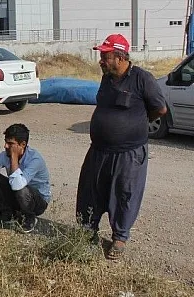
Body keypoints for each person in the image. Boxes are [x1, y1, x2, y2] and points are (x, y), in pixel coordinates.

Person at [76, 34, 167, 260]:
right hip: (99, 151)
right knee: (91, 191)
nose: (101, 60)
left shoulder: (141, 79)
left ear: (119, 56)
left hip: (128, 153)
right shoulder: (106, 78)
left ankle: (119, 238)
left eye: (104, 56)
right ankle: (88, 231)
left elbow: (160, 109)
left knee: (124, 194)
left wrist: (135, 124)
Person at [0, 124, 51, 233]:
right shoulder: (5, 155)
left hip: (38, 201)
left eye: (10, 144)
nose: (5, 146)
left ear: (22, 144)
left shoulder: (35, 160)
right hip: (18, 195)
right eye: (5, 142)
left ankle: (29, 217)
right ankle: (8, 214)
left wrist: (14, 158)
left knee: (22, 189)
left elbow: (18, 185)